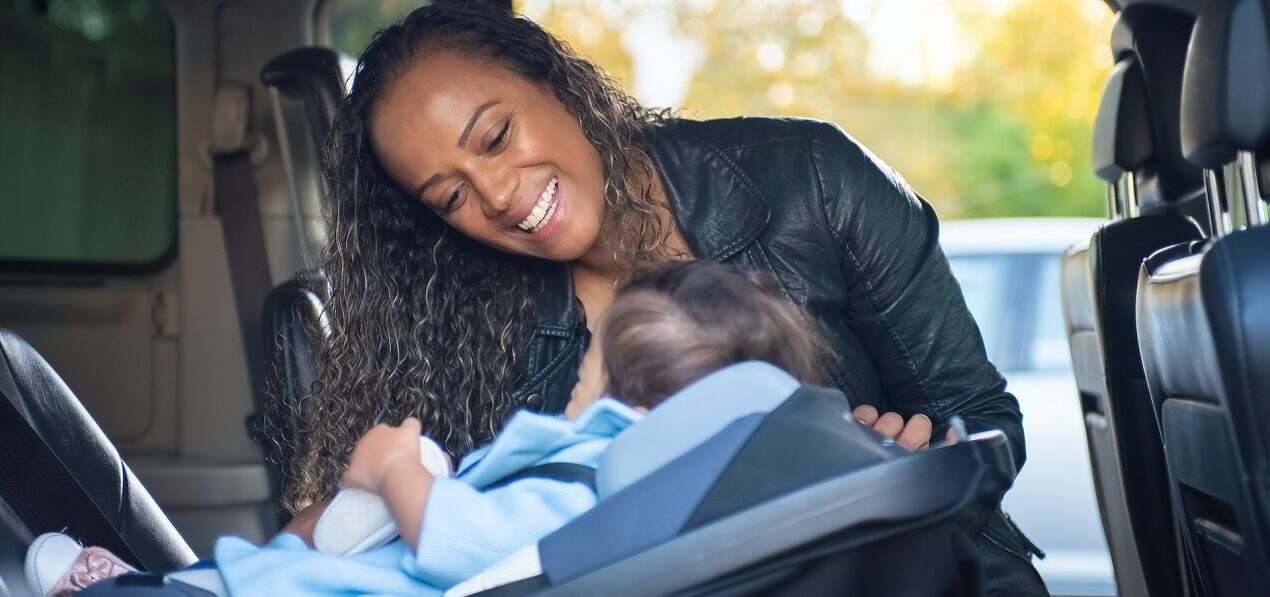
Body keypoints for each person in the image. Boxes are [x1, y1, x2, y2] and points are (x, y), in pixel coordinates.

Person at [267, 1, 1046, 594]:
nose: (498, 196)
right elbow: (412, 515)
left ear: (553, 81)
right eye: (450, 196)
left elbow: (983, 419)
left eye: (496, 138)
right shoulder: (473, 323)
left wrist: (907, 449)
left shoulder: (814, 178)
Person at [29, 260, 835, 596]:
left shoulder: (597, 490)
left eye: (595, 359)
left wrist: (393, 471)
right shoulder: (640, 489)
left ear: (634, 394)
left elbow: (458, 537)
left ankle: (110, 587)